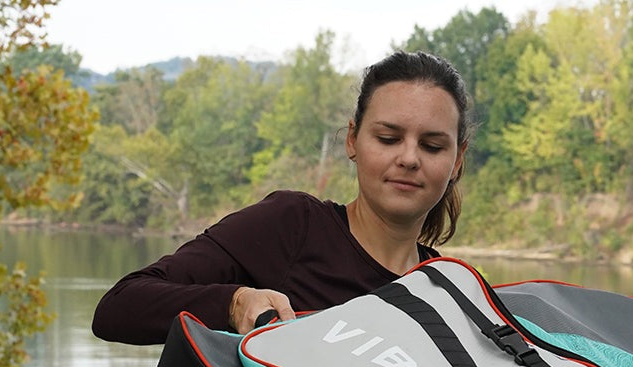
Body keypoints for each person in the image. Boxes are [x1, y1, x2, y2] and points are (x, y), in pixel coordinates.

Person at [92, 50, 472, 345]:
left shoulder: (452, 293)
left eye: (432, 146)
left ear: (457, 160)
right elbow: (119, 307)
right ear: (353, 140)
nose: (409, 158)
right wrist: (234, 303)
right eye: (388, 138)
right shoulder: (292, 226)